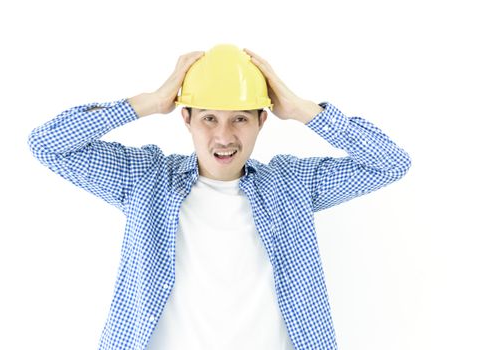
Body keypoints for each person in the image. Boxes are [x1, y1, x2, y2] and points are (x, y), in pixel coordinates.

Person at [28, 44, 411, 350]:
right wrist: (150, 101)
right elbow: (48, 144)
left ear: (262, 121)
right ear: (186, 119)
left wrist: (302, 110)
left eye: (240, 119)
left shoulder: (292, 184)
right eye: (209, 118)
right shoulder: (144, 179)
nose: (224, 137)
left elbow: (390, 164)